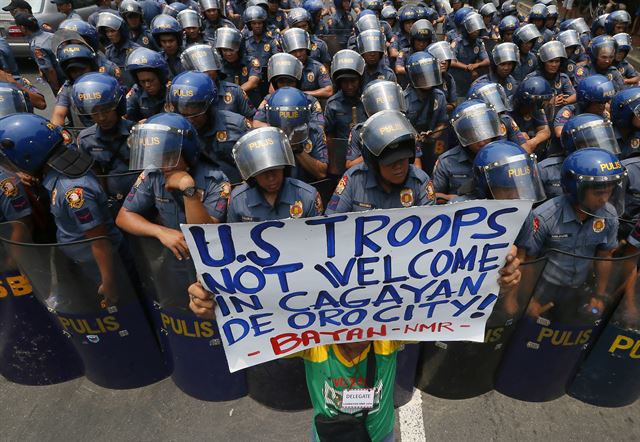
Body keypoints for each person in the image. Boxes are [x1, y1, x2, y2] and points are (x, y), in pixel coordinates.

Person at [0, 113, 126, 307]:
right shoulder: (57, 174)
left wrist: (108, 283)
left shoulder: (72, 191)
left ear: (27, 155)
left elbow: (99, 240)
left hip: (98, 269)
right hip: (81, 263)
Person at [520, 148, 626, 321]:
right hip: (543, 287)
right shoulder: (545, 217)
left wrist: (599, 295)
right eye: (598, 193)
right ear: (576, 189)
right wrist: (528, 299)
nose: (604, 199)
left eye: (609, 191)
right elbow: (529, 262)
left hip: (578, 288)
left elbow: (605, 256)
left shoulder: (609, 214)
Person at [116, 112, 230, 261]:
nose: (162, 165)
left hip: (210, 258)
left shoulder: (216, 180)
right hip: (173, 257)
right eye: (157, 157)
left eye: (169, 157)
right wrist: (160, 232)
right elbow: (124, 216)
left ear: (187, 152)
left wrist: (188, 189)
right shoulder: (154, 174)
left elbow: (204, 235)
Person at [167, 71, 250, 183]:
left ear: (210, 106)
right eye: (183, 112)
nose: (190, 120)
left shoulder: (237, 125)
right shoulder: (171, 131)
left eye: (196, 112)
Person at [72, 73, 137, 214]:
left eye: (106, 110)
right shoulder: (86, 139)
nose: (101, 118)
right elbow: (93, 176)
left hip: (141, 202)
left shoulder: (137, 132)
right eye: (94, 112)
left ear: (118, 106)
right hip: (110, 204)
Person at [432, 100, 503, 201]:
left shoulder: (504, 157)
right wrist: (453, 200)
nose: (481, 142)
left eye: (486, 132)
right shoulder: (446, 162)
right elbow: (434, 196)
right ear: (462, 135)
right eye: (473, 135)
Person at [540, 113, 620, 199]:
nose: (599, 150)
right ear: (572, 144)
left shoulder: (613, 168)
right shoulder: (545, 170)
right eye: (592, 144)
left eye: (604, 143)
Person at [180, 44, 256, 119]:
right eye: (200, 71)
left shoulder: (235, 91)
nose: (205, 73)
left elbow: (251, 119)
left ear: (216, 68)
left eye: (209, 68)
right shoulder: (185, 96)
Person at [15, 13, 63, 95]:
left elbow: (49, 70)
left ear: (22, 28)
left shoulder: (37, 46)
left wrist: (56, 88)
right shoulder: (51, 35)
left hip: (61, 79)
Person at [324, 49, 366, 142]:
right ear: (339, 83)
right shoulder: (333, 104)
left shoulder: (367, 100)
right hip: (342, 151)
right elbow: (329, 135)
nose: (349, 86)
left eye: (353, 81)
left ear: (359, 80)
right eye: (345, 82)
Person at [281, 28, 333, 99]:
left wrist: (302, 94)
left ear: (307, 49)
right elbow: (272, 92)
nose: (298, 54)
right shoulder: (281, 67)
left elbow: (329, 91)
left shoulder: (317, 67)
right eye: (294, 51)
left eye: (301, 50)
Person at [449, 12, 489, 97]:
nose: (476, 31)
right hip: (457, 80)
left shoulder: (479, 43)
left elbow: (487, 60)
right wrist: (467, 67)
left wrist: (476, 65)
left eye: (478, 29)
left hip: (471, 81)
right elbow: (452, 61)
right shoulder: (457, 42)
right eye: (473, 29)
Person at [96, 11, 140, 88]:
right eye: (107, 31)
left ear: (121, 31)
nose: (109, 35)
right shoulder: (109, 51)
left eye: (112, 31)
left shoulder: (136, 50)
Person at [125, 47, 169, 121]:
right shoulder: (136, 90)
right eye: (142, 81)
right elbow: (125, 114)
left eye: (151, 80)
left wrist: (150, 122)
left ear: (160, 78)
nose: (147, 85)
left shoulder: (171, 91)